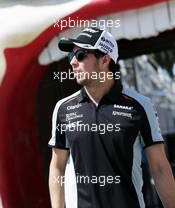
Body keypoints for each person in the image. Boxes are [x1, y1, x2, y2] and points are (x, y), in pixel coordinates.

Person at [48, 27, 175, 208]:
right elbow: (57, 167)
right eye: (71, 56)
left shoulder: (140, 105)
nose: (73, 62)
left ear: (105, 59)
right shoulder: (63, 108)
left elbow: (160, 168)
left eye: (81, 55)